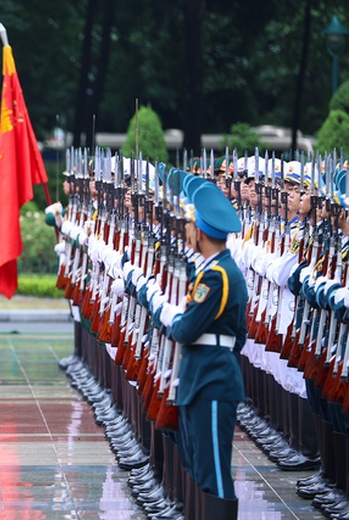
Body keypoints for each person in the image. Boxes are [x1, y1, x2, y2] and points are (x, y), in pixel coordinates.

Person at [149, 180, 247, 518]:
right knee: (197, 463)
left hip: (211, 381)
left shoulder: (218, 277)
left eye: (190, 226)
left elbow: (186, 329)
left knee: (213, 472)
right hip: (202, 377)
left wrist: (166, 313)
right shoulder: (211, 273)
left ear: (200, 233)